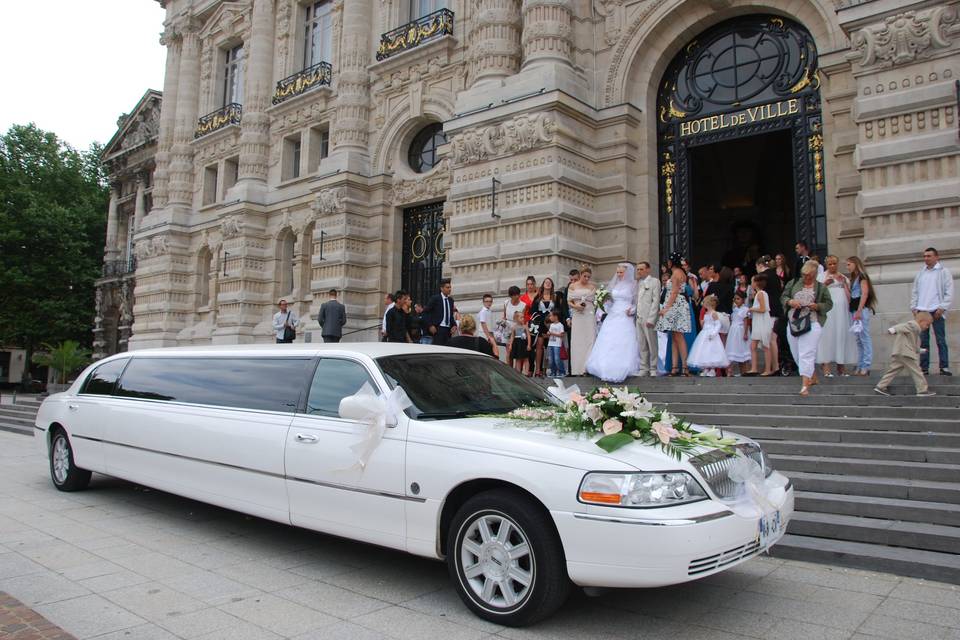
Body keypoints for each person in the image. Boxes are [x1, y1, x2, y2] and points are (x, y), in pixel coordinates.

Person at [783, 261, 833, 396]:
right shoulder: (793, 283)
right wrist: (790, 302)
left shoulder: (821, 287)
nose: (806, 278)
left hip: (812, 322)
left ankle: (805, 385)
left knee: (806, 353)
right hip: (794, 322)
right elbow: (784, 297)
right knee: (796, 353)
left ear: (815, 274)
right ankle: (812, 376)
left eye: (809, 275)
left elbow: (829, 304)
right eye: (804, 275)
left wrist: (817, 306)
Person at [586, 263, 641, 382]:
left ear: (627, 273)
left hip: (625, 313)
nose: (619, 274)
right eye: (618, 272)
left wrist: (632, 310)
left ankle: (623, 365)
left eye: (621, 272)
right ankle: (604, 365)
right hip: (613, 313)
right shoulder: (615, 284)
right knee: (608, 337)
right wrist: (604, 302)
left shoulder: (633, 285)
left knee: (623, 338)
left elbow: (637, 301)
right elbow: (610, 300)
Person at [910, 247, 953, 376]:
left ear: (936, 257)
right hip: (922, 310)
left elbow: (949, 291)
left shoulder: (943, 272)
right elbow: (915, 291)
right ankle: (924, 368)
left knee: (940, 340)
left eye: (929, 256)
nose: (926, 258)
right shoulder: (921, 273)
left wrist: (942, 307)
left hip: (936, 310)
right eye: (925, 256)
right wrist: (914, 307)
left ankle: (944, 367)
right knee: (924, 342)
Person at [875, 312, 936, 397]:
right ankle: (922, 390)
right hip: (906, 353)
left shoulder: (914, 331)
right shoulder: (913, 325)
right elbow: (902, 326)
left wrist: (920, 350)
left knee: (893, 370)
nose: (927, 327)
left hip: (900, 352)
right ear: (921, 321)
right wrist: (893, 329)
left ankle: (880, 386)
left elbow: (913, 344)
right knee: (916, 370)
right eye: (927, 324)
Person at [816, 256, 857, 376]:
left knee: (841, 335)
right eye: (830, 264)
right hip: (829, 311)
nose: (832, 266)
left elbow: (850, 295)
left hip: (842, 310)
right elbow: (817, 293)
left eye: (834, 263)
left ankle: (841, 367)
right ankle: (826, 368)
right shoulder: (821, 276)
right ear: (826, 264)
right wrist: (825, 284)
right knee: (827, 336)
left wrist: (844, 283)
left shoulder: (843, 277)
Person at [656, 266, 692, 376]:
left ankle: (685, 367)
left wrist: (666, 307)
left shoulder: (676, 273)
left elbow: (674, 292)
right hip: (676, 304)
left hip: (676, 305)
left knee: (679, 336)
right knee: (674, 337)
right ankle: (674, 367)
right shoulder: (680, 273)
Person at [688, 295, 730, 376]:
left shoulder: (714, 314)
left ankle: (712, 369)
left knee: (712, 351)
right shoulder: (707, 313)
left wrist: (713, 333)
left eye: (704, 302)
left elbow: (718, 324)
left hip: (711, 334)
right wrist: (704, 323)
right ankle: (706, 369)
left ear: (709, 304)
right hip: (705, 333)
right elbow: (707, 323)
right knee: (705, 350)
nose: (703, 304)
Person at [532, 278, 565, 377]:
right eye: (546, 282)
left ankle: (548, 370)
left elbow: (559, 311)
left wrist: (554, 319)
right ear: (543, 284)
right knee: (539, 346)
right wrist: (538, 320)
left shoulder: (555, 297)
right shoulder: (538, 297)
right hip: (541, 324)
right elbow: (533, 311)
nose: (547, 284)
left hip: (552, 324)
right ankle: (538, 370)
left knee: (550, 347)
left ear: (552, 285)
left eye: (549, 282)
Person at [567, 268, 597, 376]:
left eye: (589, 277)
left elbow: (595, 301)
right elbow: (569, 301)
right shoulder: (573, 286)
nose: (587, 278)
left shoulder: (592, 287)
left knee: (590, 338)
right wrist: (576, 306)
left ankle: (588, 367)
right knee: (578, 340)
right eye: (585, 276)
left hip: (589, 313)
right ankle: (578, 368)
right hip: (578, 314)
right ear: (580, 275)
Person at [635, 261, 661, 376]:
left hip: (648, 317)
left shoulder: (654, 281)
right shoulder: (639, 283)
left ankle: (653, 367)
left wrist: (651, 318)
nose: (639, 271)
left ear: (648, 269)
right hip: (639, 316)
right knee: (642, 343)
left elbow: (656, 301)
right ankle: (643, 367)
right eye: (638, 269)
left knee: (652, 343)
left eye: (641, 269)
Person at [747, 273, 774, 376]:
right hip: (759, 321)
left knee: (765, 346)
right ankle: (754, 368)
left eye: (752, 282)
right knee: (753, 345)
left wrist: (751, 308)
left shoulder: (761, 294)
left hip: (762, 322)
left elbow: (763, 309)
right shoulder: (760, 294)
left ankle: (767, 369)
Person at [423, 279, 456, 346]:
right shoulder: (435, 298)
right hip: (438, 329)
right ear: (441, 288)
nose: (449, 289)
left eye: (450, 287)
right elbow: (425, 312)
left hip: (448, 330)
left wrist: (454, 325)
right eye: (447, 287)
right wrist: (430, 325)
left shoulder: (451, 300)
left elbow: (450, 315)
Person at [726, 292, 752, 375]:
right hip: (733, 331)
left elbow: (746, 322)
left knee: (742, 350)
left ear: (743, 300)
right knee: (734, 348)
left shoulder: (745, 309)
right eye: (735, 299)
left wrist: (745, 333)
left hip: (740, 331)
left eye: (738, 299)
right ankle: (737, 371)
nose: (736, 301)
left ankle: (745, 371)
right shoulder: (734, 309)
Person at [503, 286, 527, 369]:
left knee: (517, 351)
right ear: (511, 295)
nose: (517, 296)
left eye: (518, 294)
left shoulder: (523, 305)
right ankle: (509, 369)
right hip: (507, 327)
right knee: (508, 350)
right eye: (514, 295)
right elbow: (504, 316)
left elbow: (522, 318)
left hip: (517, 329)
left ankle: (517, 371)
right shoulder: (506, 303)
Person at [476, 293, 498, 357]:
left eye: (490, 301)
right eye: (487, 301)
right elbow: (483, 324)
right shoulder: (483, 311)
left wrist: (492, 335)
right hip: (483, 334)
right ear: (483, 302)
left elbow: (489, 325)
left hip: (488, 334)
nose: (489, 303)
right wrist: (489, 337)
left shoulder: (489, 311)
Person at [545, 311, 566, 377]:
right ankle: (553, 372)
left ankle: (562, 371)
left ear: (555, 316)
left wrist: (552, 333)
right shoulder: (551, 325)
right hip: (551, 343)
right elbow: (550, 333)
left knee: (557, 359)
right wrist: (548, 334)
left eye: (551, 316)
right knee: (551, 359)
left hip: (557, 344)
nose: (550, 317)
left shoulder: (560, 325)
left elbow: (562, 335)